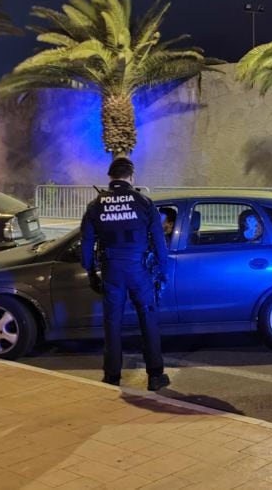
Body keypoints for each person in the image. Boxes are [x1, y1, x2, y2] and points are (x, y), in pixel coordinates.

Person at [81, 158, 172, 391]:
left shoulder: (95, 205)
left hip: (112, 270)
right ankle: (155, 375)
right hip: (138, 269)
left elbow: (87, 244)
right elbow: (159, 240)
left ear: (110, 177)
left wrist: (91, 271)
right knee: (148, 318)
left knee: (112, 322)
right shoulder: (144, 202)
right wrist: (162, 268)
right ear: (131, 177)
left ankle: (112, 376)